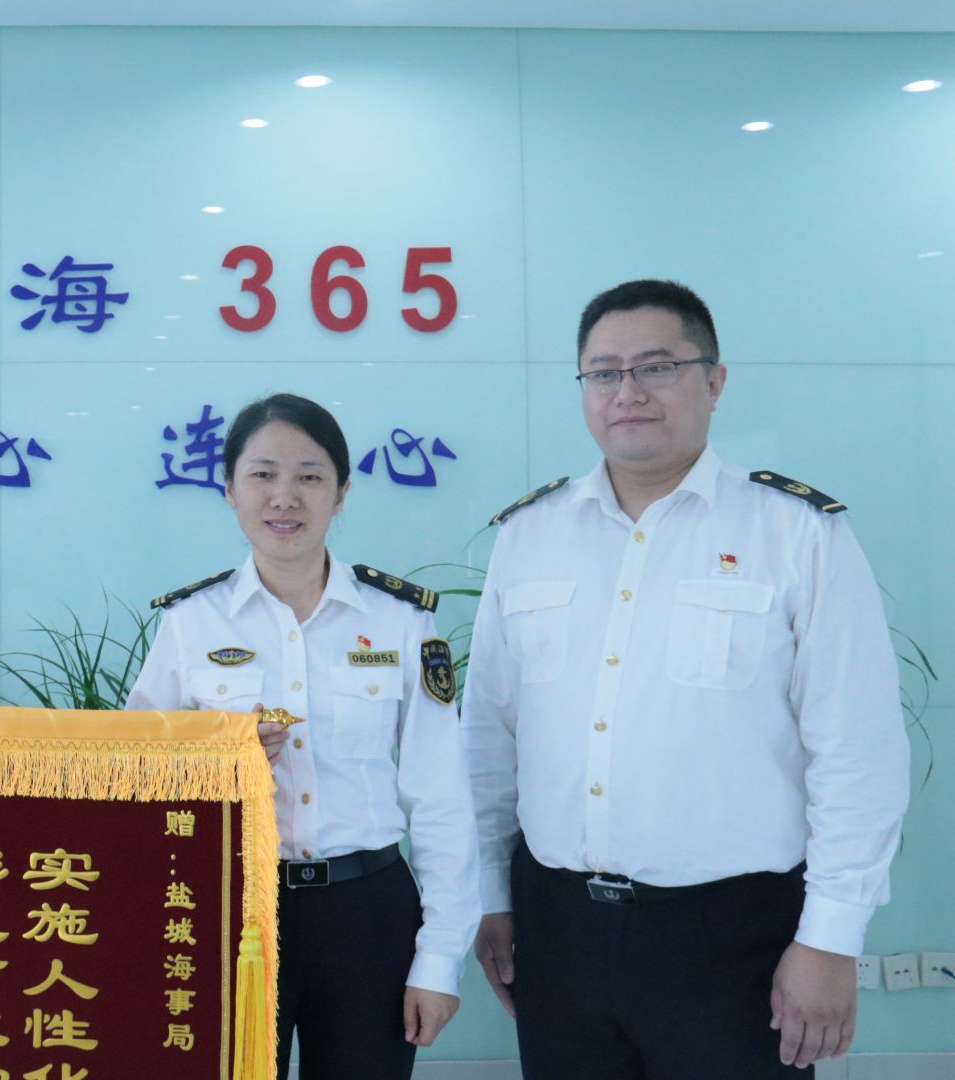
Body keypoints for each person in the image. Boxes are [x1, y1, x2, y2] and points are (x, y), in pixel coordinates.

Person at [462, 279, 911, 1079]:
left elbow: (856, 751)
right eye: (604, 373)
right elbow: (489, 737)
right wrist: (491, 894)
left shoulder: (796, 534)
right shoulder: (529, 536)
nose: (628, 392)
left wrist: (830, 939)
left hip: (734, 935)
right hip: (557, 928)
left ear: (714, 380)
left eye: (657, 366)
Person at [127, 393, 481, 1080]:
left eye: (309, 477)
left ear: (341, 493)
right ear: (229, 490)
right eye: (262, 475)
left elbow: (441, 796)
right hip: (232, 909)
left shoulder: (400, 620)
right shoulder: (190, 623)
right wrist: (220, 762)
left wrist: (439, 960)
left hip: (368, 913)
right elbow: (140, 780)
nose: (284, 497)